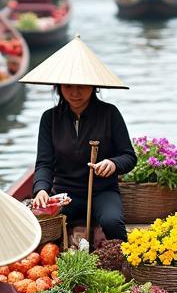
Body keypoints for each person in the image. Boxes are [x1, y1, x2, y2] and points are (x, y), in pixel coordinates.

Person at [24, 35, 135, 242]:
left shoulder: (110, 114)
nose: (75, 93)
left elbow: (129, 157)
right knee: (40, 227)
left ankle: (126, 266)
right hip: (65, 193)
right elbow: (44, 163)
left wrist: (113, 163)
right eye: (68, 86)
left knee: (112, 223)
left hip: (102, 191)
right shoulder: (50, 118)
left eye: (82, 86)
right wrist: (41, 190)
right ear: (58, 88)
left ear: (94, 86)